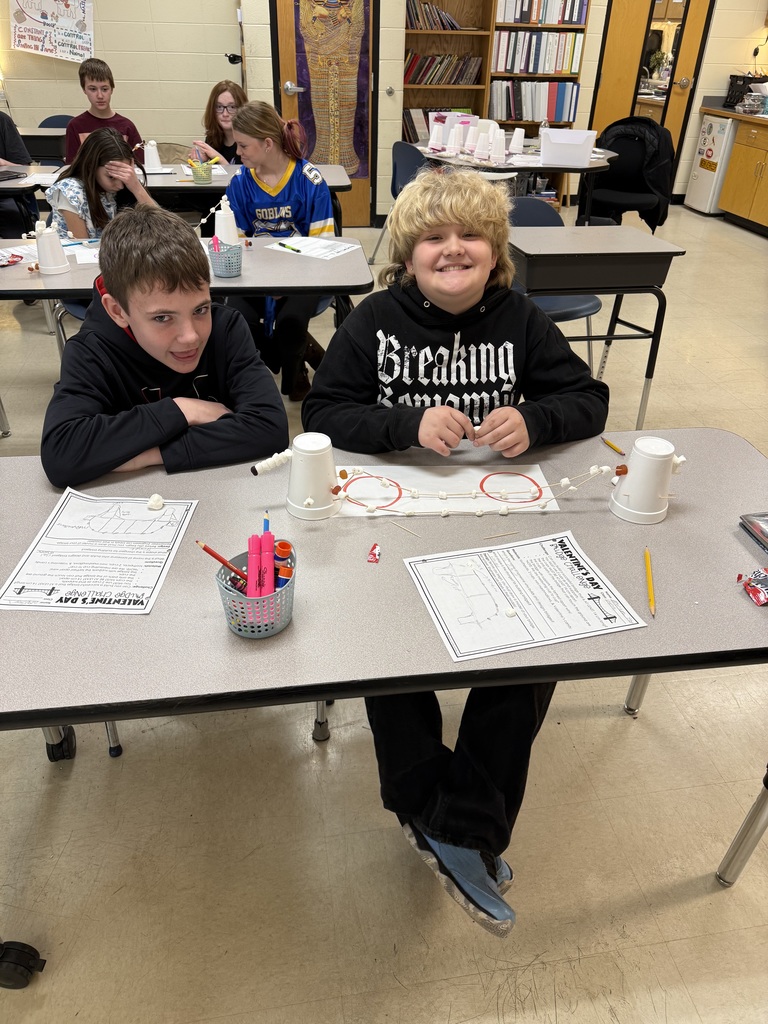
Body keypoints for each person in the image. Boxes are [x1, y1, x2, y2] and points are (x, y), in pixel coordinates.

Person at [302, 168, 609, 936]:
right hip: (392, 528)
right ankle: (444, 814)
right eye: (432, 237)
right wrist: (403, 427)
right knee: (386, 646)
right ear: (407, 255)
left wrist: (535, 420)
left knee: (541, 642)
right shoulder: (373, 321)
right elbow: (325, 409)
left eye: (470, 234)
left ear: (496, 251)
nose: (452, 249)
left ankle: (454, 821)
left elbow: (589, 398)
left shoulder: (523, 319)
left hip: (504, 526)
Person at [41, 205, 289, 489]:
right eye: (162, 318)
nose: (190, 337)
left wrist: (148, 454)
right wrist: (182, 410)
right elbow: (62, 455)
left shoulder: (226, 328)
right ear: (117, 311)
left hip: (220, 492)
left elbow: (271, 429)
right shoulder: (91, 351)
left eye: (200, 310)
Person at [224, 101, 334, 402]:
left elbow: (324, 246)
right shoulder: (240, 184)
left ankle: (294, 363)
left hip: (304, 274)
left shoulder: (309, 181)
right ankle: (279, 354)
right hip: (256, 276)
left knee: (290, 321)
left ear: (268, 143)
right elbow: (237, 243)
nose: (238, 152)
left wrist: (285, 281)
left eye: (244, 145)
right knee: (232, 317)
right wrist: (266, 280)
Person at [46, 128, 155, 240]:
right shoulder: (71, 192)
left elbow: (164, 229)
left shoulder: (127, 185)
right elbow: (82, 248)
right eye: (111, 177)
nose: (120, 185)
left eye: (123, 176)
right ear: (91, 167)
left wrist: (136, 187)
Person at [65, 57, 143, 163]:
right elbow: (71, 166)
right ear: (84, 90)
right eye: (92, 89)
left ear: (112, 89)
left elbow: (140, 166)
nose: (100, 96)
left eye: (105, 89)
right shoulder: (75, 126)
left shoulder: (127, 126)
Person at [192, 79, 248, 166]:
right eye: (219, 107)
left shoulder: (249, 140)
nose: (225, 114)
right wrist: (202, 162)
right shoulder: (212, 138)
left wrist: (218, 158)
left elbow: (243, 177)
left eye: (232, 107)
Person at [0, 111, 36, 237]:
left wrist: (3, 163)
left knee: (11, 213)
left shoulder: (2, 120)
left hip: (4, 196)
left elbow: (24, 169)